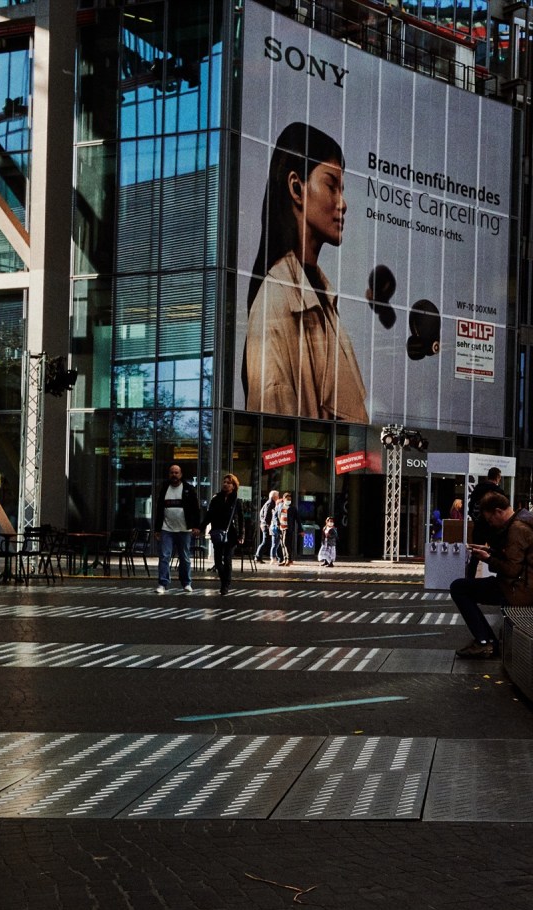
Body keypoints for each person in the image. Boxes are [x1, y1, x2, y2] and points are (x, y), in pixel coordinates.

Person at [243, 122, 368, 422]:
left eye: (343, 189)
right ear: (296, 187)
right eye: (331, 185)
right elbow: (272, 430)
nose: (343, 203)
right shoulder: (275, 300)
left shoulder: (321, 298)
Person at [450, 492, 533, 659]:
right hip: (523, 586)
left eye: (490, 519)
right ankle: (486, 640)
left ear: (498, 511)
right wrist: (489, 550)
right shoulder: (524, 521)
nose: (491, 524)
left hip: (516, 590)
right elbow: (517, 559)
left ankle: (485, 642)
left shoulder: (516, 529)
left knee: (459, 588)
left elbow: (512, 569)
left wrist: (489, 559)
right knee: (463, 587)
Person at [151, 464, 203, 593]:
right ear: (169, 475)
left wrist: (196, 526)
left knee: (184, 557)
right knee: (164, 556)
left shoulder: (188, 489)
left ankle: (186, 582)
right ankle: (163, 583)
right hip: (166, 528)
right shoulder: (164, 489)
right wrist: (157, 529)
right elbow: (159, 510)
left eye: (176, 473)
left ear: (181, 474)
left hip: (184, 529)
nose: (174, 475)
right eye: (172, 473)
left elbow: (195, 509)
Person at [204, 473, 247, 596]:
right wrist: (201, 528)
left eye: (229, 483)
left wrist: (241, 535)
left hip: (232, 534)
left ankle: (225, 585)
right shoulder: (216, 498)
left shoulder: (237, 501)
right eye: (224, 482)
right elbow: (209, 515)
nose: (226, 484)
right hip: (218, 533)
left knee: (227, 559)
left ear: (233, 486)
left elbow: (241, 519)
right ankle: (225, 580)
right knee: (218, 562)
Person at [255, 490, 280, 563]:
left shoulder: (269, 503)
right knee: (265, 542)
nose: (278, 497)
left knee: (268, 542)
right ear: (274, 497)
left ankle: (259, 556)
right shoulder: (270, 504)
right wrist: (269, 525)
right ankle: (258, 556)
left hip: (265, 525)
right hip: (266, 526)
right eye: (277, 496)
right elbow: (266, 516)